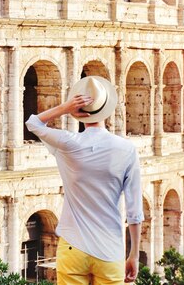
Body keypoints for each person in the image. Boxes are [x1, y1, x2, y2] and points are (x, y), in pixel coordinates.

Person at [26, 75, 144, 285]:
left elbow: (33, 123)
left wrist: (65, 108)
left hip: (72, 246)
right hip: (109, 249)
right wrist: (133, 254)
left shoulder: (68, 143)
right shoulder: (126, 149)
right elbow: (134, 213)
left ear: (80, 114)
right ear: (107, 110)